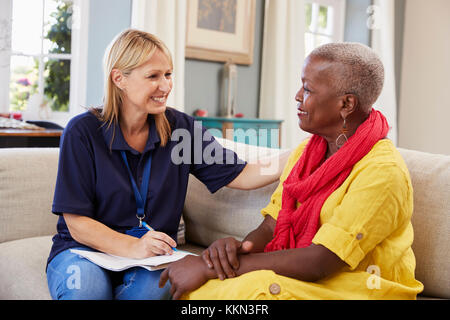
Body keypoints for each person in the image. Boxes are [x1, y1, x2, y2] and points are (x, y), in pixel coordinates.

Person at [159, 43, 425, 300]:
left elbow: (321, 261)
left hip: (361, 286)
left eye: (308, 89)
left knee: (248, 292)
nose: (298, 96)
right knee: (203, 289)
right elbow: (272, 226)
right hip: (315, 277)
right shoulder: (307, 152)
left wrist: (207, 268)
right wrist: (238, 251)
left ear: (346, 104)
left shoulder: (382, 172)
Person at [46, 29, 289, 300]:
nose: (165, 86)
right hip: (85, 251)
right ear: (119, 78)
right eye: (153, 76)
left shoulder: (181, 129)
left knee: (151, 294)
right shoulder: (82, 131)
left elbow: (243, 174)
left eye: (168, 74)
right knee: (86, 294)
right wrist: (132, 246)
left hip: (152, 259)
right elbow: (77, 223)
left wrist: (300, 153)